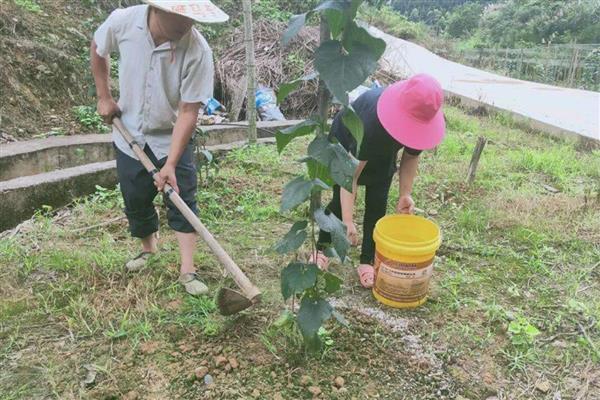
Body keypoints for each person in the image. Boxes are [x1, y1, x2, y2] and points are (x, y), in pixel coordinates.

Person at [90, 0, 228, 295]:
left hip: (171, 136)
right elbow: (98, 48)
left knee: (182, 198)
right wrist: (104, 96)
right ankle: (148, 250)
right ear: (158, 10)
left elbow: (189, 111)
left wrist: (171, 164)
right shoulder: (123, 22)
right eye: (181, 19)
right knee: (135, 197)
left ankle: (188, 270)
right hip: (129, 134)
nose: (187, 26)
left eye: (192, 20)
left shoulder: (198, 50)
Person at [313, 74, 446, 288]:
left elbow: (411, 156)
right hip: (348, 143)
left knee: (377, 202)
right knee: (339, 204)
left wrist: (405, 193)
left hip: (383, 151)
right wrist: (348, 220)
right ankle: (322, 248)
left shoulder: (419, 120)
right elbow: (350, 176)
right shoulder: (371, 124)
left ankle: (367, 261)